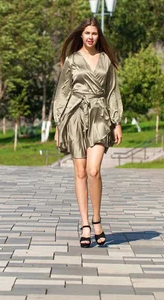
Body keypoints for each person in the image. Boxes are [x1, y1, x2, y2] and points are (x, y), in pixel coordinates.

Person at [53, 17, 123, 248]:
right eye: (87, 33)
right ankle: (84, 224)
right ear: (81, 36)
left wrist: (117, 121)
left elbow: (112, 92)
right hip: (74, 116)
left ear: (98, 36)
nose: (91, 36)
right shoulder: (72, 61)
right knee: (81, 172)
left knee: (94, 170)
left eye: (94, 33)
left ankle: (97, 220)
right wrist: (57, 124)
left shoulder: (106, 61)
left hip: (100, 116)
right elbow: (63, 93)